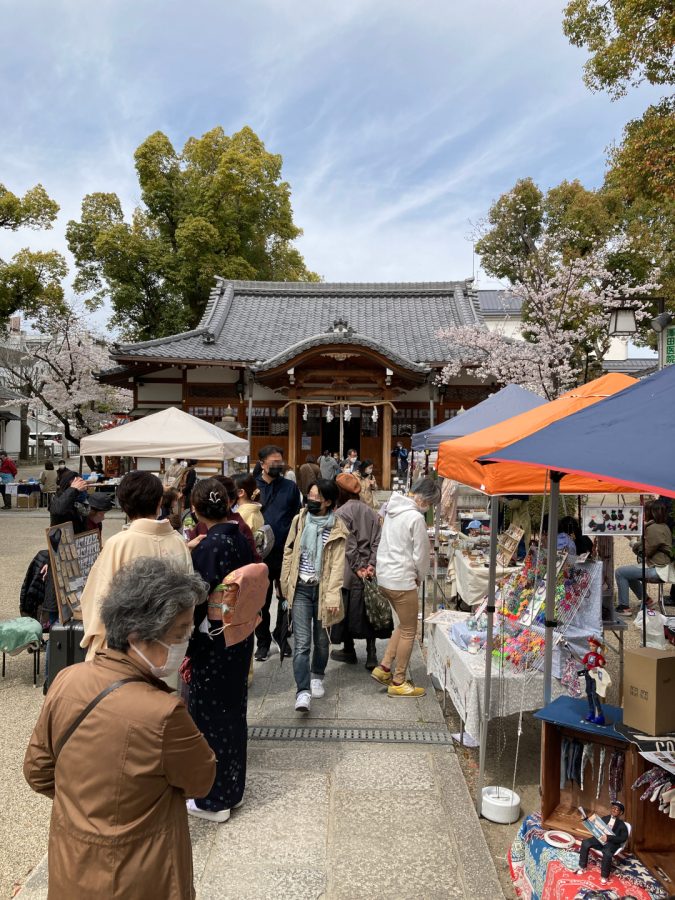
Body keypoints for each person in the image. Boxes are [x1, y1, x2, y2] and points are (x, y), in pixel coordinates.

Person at [24, 557, 216, 899]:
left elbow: (38, 771)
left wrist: (86, 804)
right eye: (178, 633)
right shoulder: (164, 714)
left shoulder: (67, 680)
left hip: (71, 870)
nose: (184, 642)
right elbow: (202, 780)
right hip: (141, 878)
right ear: (136, 634)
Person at [186, 478, 255, 822]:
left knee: (209, 718)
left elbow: (197, 598)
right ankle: (232, 788)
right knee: (232, 714)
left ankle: (214, 799)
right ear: (228, 503)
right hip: (238, 636)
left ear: (196, 509)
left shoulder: (210, 546)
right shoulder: (239, 538)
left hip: (212, 639)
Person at [80, 471, 193, 660]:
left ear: (124, 506)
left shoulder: (119, 544)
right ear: (159, 502)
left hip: (127, 648)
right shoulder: (178, 542)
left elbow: (98, 598)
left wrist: (95, 644)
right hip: (168, 646)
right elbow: (188, 598)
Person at [281, 478, 347, 713]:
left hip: (323, 589)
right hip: (300, 588)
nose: (311, 500)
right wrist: (284, 583)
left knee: (321, 640)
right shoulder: (299, 520)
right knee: (301, 643)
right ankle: (302, 691)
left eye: (316, 497)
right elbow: (289, 552)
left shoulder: (337, 527)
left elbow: (338, 566)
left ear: (328, 501)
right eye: (309, 495)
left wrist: (332, 597)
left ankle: (317, 674)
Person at [371, 477, 440, 697]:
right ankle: (399, 680)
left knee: (402, 624)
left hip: (385, 576)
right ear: (424, 499)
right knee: (410, 630)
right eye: (430, 504)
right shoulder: (415, 517)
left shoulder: (392, 508)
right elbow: (421, 555)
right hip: (402, 578)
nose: (428, 508)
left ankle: (384, 667)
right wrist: (420, 575)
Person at [332, 472, 386, 670]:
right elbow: (377, 541)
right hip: (369, 571)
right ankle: (371, 654)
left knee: (346, 612)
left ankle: (349, 649)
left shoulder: (341, 513)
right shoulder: (371, 512)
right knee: (369, 611)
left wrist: (358, 567)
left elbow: (349, 544)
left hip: (349, 571)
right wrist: (371, 564)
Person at [254, 445, 302, 661]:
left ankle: (282, 637)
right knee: (260, 602)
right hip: (260, 556)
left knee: (285, 599)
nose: (277, 466)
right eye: (273, 462)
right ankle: (262, 641)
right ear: (262, 463)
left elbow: (297, 518)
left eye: (279, 462)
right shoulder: (252, 486)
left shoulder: (290, 487)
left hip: (285, 552)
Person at [615, 500, 672, 616]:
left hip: (658, 569)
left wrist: (632, 542)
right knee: (628, 572)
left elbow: (645, 552)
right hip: (662, 566)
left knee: (620, 572)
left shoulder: (653, 528)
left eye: (645, 511)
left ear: (651, 513)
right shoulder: (663, 526)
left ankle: (624, 607)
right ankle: (646, 599)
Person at [576, 800, 629, 884]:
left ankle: (604, 876)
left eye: (617, 809)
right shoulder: (605, 818)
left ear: (621, 812)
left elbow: (623, 838)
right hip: (599, 840)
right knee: (585, 842)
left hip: (611, 844)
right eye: (613, 808)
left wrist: (609, 837)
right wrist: (586, 820)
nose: (614, 810)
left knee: (607, 853)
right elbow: (595, 826)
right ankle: (582, 866)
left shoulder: (622, 825)